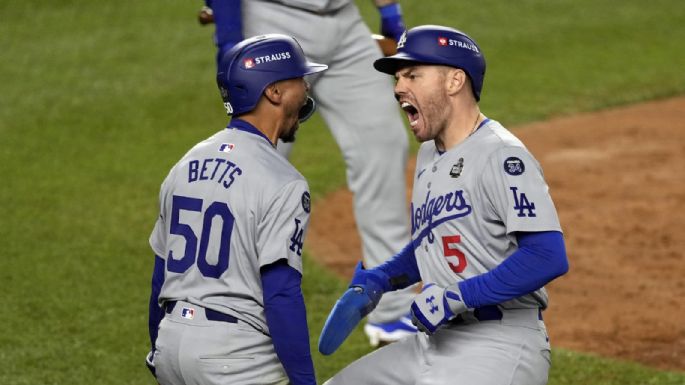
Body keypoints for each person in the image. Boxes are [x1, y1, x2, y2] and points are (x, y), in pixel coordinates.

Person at [318, 25, 570, 385]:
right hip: (432, 342)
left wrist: (455, 298)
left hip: (499, 343)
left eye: (413, 75)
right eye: (399, 77)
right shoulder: (428, 155)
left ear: (455, 81)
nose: (398, 88)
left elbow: (547, 256)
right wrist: (381, 280)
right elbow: (435, 241)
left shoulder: (501, 154)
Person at [199, 0, 418, 346]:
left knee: (383, 144)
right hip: (272, 22)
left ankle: (392, 310)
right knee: (255, 160)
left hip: (345, 25)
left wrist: (390, 11)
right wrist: (228, 39)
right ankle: (223, 306)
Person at [144, 34, 327, 385]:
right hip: (234, 359)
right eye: (298, 80)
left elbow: (159, 279)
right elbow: (281, 293)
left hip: (171, 343)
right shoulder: (283, 182)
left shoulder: (184, 165)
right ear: (273, 92)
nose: (306, 90)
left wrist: (161, 349)